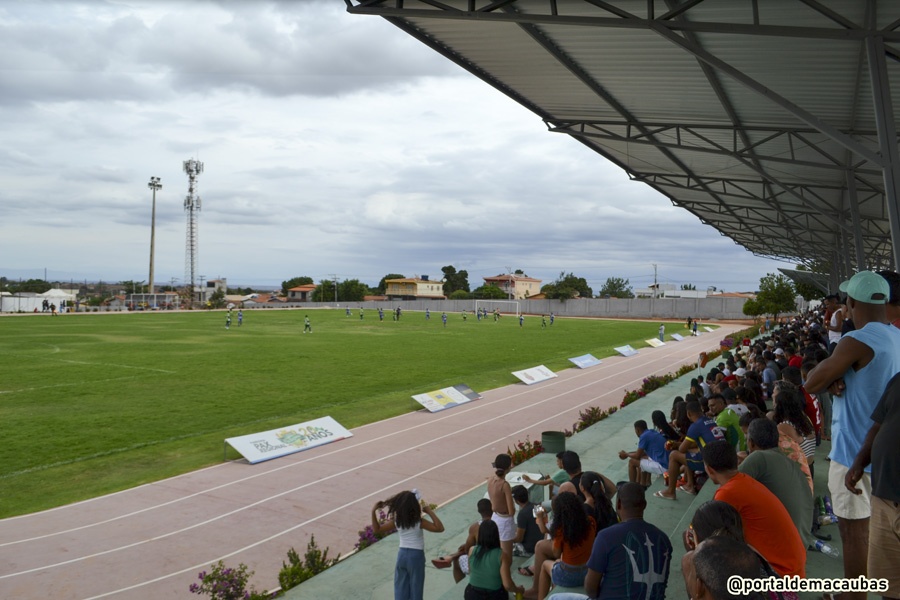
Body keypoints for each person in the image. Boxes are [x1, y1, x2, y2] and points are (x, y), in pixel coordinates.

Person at [805, 270, 900, 597]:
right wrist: (839, 374)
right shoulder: (895, 336)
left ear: (852, 303)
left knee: (855, 534)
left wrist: (832, 374)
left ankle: (853, 596)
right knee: (879, 534)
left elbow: (811, 382)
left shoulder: (856, 340)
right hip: (884, 454)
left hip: (854, 456)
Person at [702, 440, 806, 578]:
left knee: (698, 555)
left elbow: (708, 534)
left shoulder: (727, 493)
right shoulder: (745, 480)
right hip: (795, 568)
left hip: (781, 574)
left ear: (709, 469)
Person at [845, 371, 900, 600]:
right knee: (889, 587)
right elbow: (879, 425)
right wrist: (859, 462)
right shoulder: (898, 380)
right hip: (884, 497)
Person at [583, 483, 672, 600]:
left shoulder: (605, 537)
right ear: (645, 505)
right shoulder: (663, 539)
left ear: (619, 504)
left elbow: (590, 588)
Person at [740, 418, 815, 549]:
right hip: (800, 545)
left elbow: (729, 487)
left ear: (751, 443)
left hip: (780, 548)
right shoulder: (788, 461)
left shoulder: (758, 457)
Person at [372, 490, 444, 600]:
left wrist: (373, 511)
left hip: (401, 555)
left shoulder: (397, 521)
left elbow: (377, 529)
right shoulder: (419, 522)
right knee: (416, 587)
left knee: (400, 587)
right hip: (416, 556)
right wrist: (429, 511)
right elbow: (439, 528)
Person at [524, 492, 596, 600]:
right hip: (587, 572)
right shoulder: (590, 521)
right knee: (557, 561)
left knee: (545, 564)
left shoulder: (561, 528)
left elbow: (556, 553)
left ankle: (539, 595)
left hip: (568, 576)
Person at [655, 400, 724, 500]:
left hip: (710, 460)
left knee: (674, 455)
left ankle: (670, 492)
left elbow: (682, 449)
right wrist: (677, 444)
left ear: (688, 413)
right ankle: (690, 486)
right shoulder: (710, 421)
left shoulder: (695, 426)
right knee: (689, 453)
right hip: (721, 455)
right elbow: (694, 444)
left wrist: (675, 445)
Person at [464, 520, 525, 600]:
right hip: (494, 595)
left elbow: (470, 571)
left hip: (472, 594)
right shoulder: (501, 555)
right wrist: (518, 590)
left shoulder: (472, 550)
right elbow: (507, 585)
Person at [618, 420, 669, 487]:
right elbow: (641, 453)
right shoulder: (652, 432)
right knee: (643, 458)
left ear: (637, 430)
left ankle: (631, 487)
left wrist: (626, 455)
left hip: (663, 466)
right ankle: (643, 484)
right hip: (666, 462)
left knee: (632, 462)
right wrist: (627, 454)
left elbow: (637, 455)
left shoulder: (644, 436)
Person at [487, 454, 516, 561]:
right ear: (508, 467)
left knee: (496, 552)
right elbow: (511, 511)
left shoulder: (490, 480)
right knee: (507, 557)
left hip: (495, 517)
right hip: (505, 520)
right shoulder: (505, 485)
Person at [512, 485, 543, 557]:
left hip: (529, 549)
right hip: (540, 544)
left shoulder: (522, 514)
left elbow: (519, 538)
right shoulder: (537, 506)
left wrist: (509, 539)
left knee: (505, 546)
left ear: (516, 501)